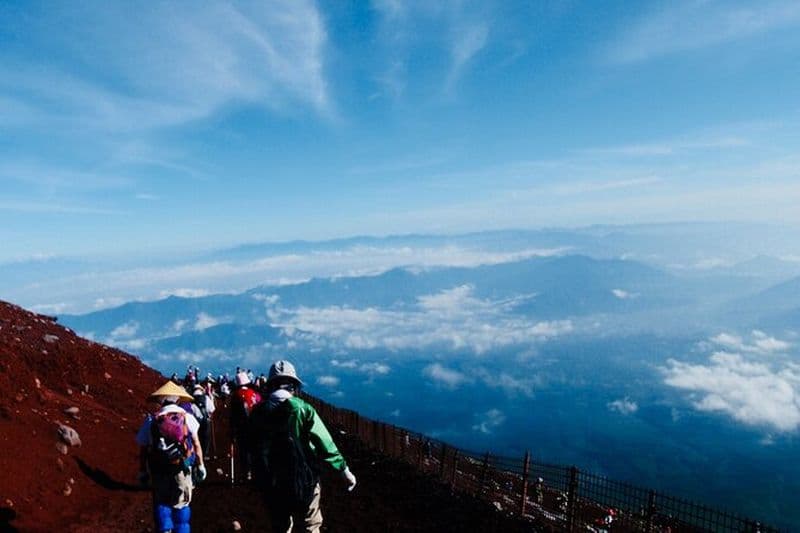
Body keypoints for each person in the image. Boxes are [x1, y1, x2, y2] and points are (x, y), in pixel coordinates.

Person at [249, 360, 356, 533]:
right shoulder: (303, 409)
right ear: (293, 386)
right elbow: (325, 443)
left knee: (280, 526)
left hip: (272, 481)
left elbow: (251, 446)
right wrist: (344, 471)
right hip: (305, 479)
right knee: (310, 525)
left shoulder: (258, 412)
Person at [136, 381, 206, 533]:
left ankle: (165, 530)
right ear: (178, 399)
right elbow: (196, 444)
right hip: (182, 469)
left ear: (162, 400)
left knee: (162, 503)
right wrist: (200, 465)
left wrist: (142, 471)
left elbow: (143, 449)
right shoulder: (187, 418)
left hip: (159, 471)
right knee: (182, 506)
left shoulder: (151, 420)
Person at [230, 370, 261, 481]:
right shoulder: (254, 394)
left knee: (244, 450)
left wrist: (232, 432)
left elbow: (233, 415)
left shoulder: (236, 396)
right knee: (255, 449)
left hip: (242, 427)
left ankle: (247, 472)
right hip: (256, 426)